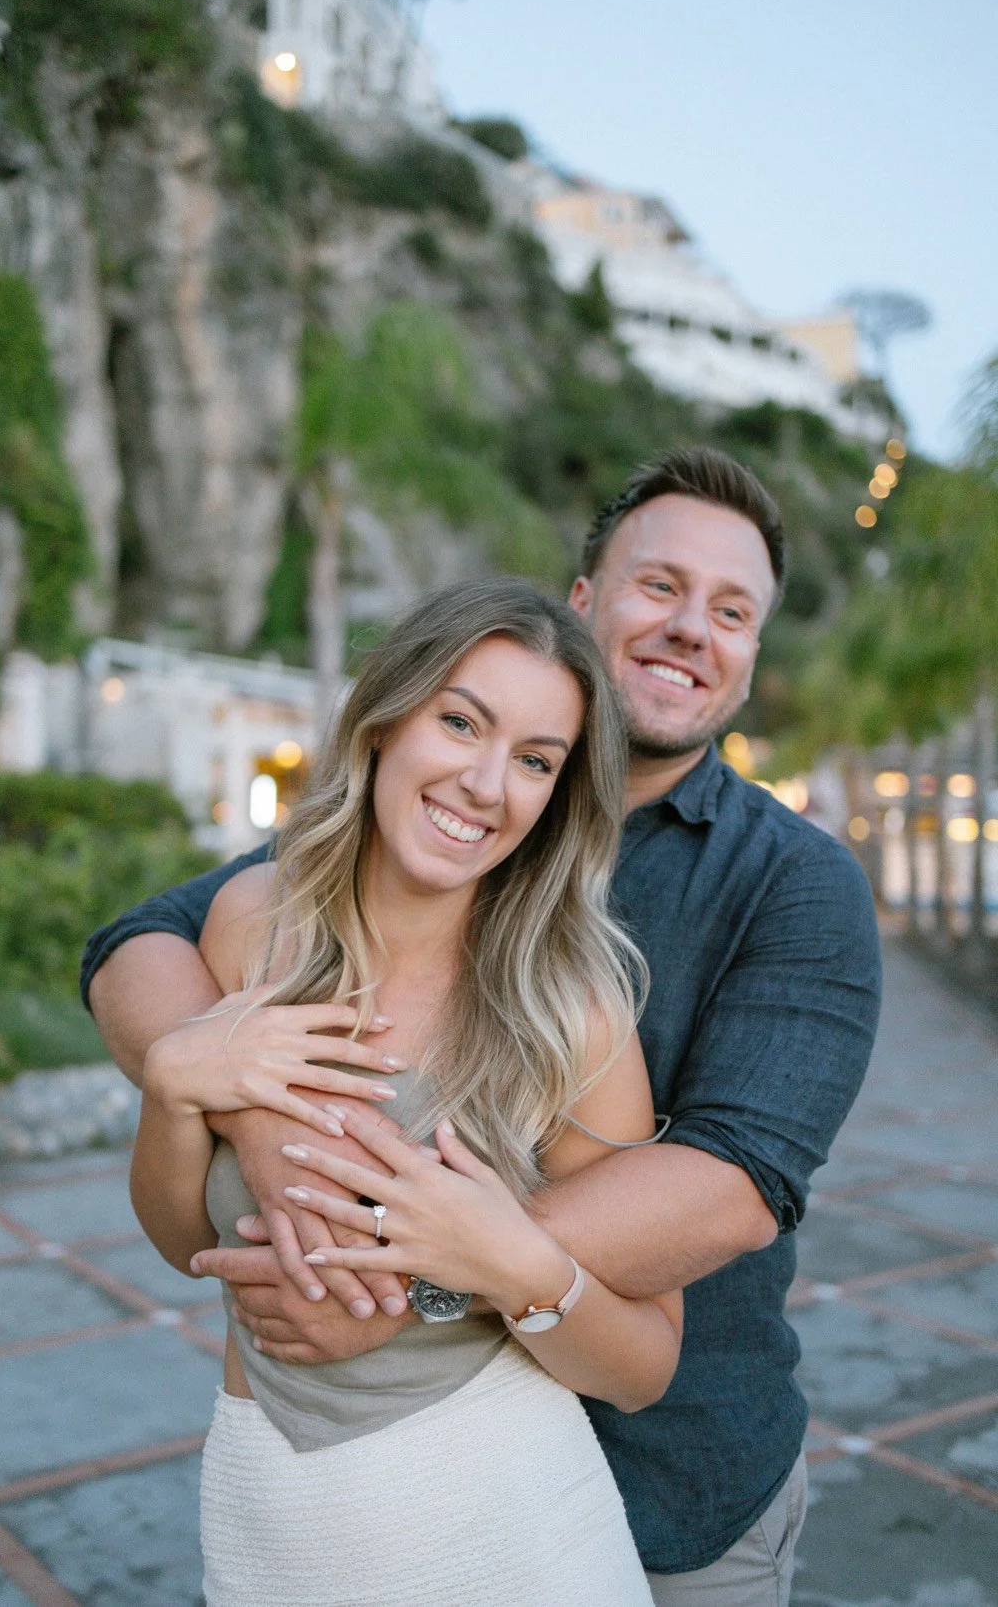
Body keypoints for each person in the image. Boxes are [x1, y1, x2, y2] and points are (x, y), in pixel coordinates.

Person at [84, 446, 882, 1606]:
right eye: (659, 586)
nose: (689, 628)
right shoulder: (373, 857)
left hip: (669, 1500)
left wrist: (390, 1288)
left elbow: (734, 1182)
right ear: (584, 599)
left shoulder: (790, 885)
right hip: (310, 1496)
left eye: (733, 612)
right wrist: (236, 1096)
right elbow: (141, 946)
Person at [129, 579, 682, 1605]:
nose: (484, 783)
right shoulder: (254, 923)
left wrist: (503, 1265)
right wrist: (173, 1088)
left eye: (533, 761)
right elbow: (186, 1246)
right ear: (385, 719)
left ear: (556, 797)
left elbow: (646, 1366)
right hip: (265, 1516)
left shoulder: (573, 1012)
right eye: (459, 722)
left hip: (508, 1526)